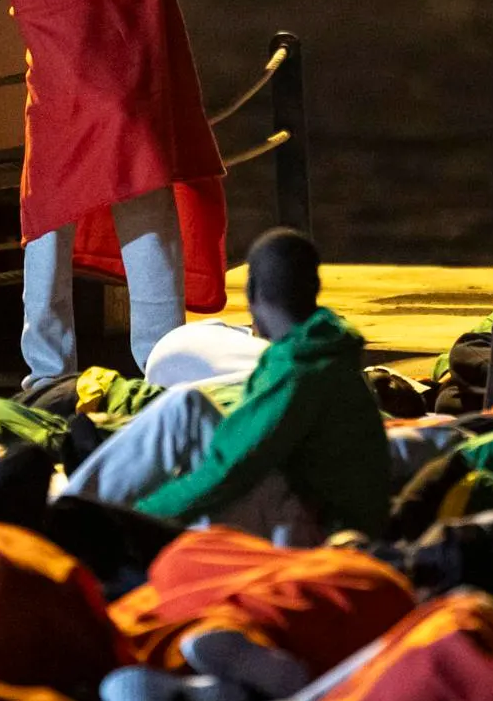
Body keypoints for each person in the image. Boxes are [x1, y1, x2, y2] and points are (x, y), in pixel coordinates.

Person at [0, 0, 228, 392]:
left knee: (149, 227)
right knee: (46, 232)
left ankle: (164, 364)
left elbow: (152, 15)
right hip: (58, 102)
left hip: (129, 101)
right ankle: (48, 372)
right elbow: (40, 16)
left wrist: (138, 89)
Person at [62, 229, 390, 543]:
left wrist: (138, 518)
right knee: (186, 406)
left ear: (253, 294)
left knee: (182, 418)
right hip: (313, 509)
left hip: (317, 533)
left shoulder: (299, 371)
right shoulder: (323, 348)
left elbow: (229, 471)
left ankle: (69, 520)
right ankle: (75, 508)